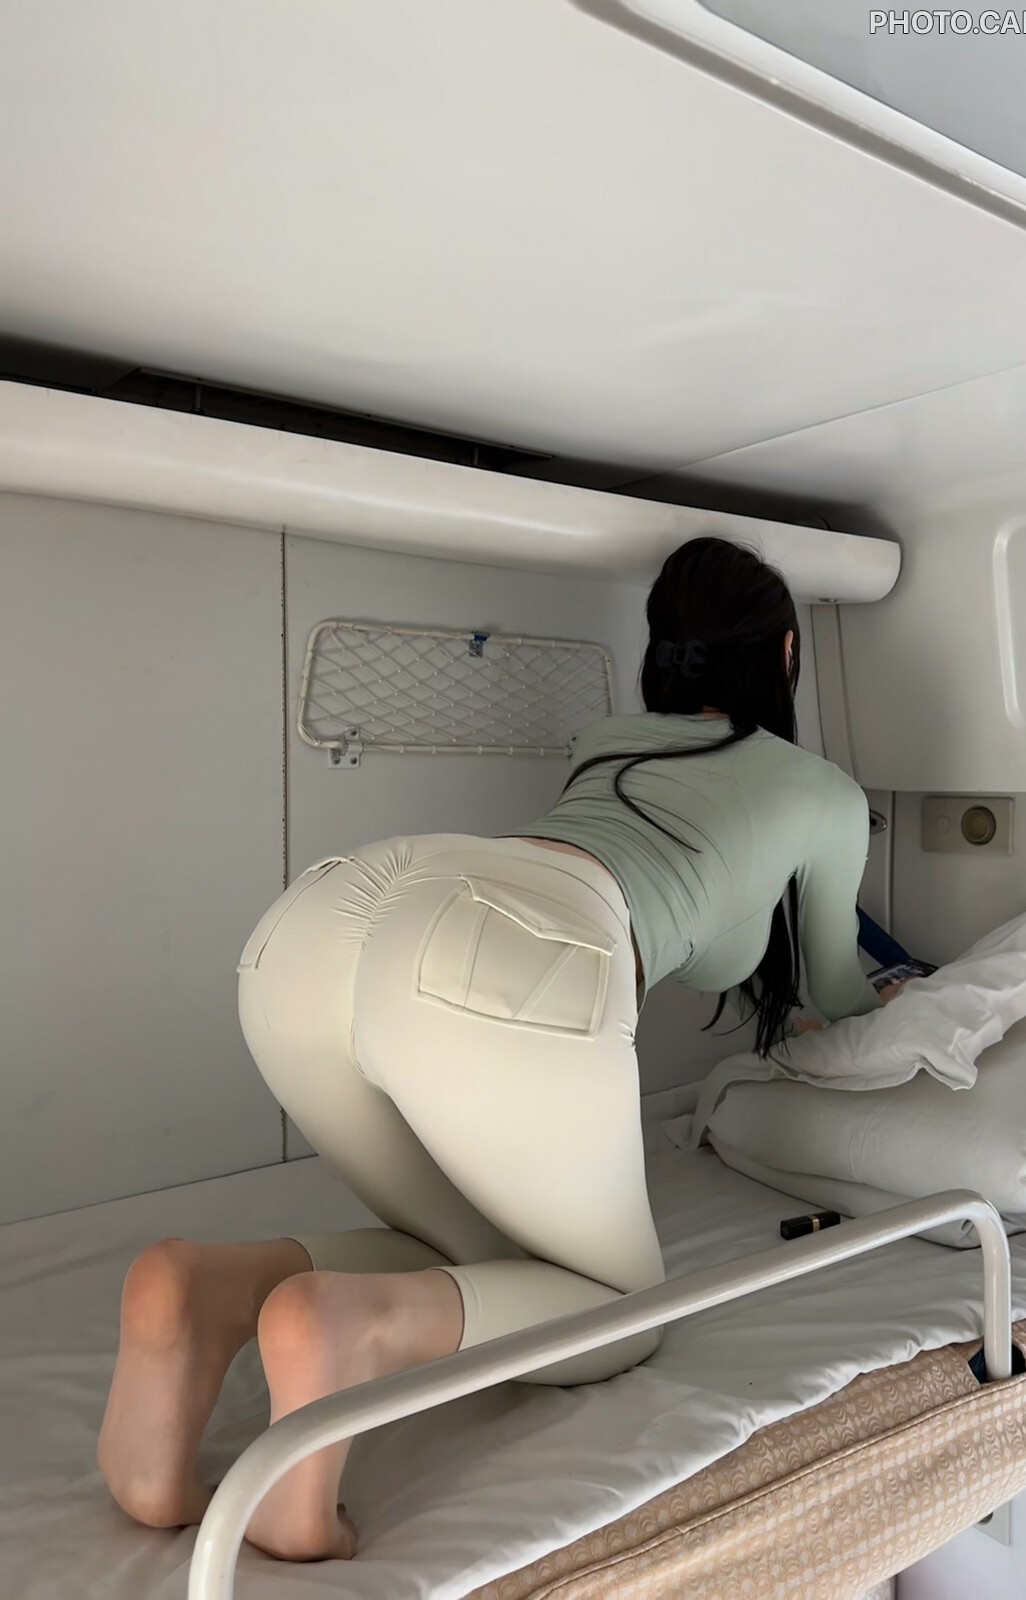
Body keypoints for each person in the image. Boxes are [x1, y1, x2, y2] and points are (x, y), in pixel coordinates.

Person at [97, 535, 896, 1562]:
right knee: (621, 1312)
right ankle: (344, 1332)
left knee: (473, 1261)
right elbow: (835, 990)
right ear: (786, 654)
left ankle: (210, 1288)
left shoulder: (606, 742)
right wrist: (906, 996)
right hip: (499, 957)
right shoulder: (822, 792)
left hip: (319, 921)